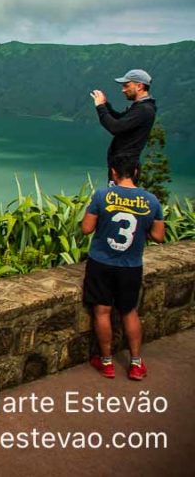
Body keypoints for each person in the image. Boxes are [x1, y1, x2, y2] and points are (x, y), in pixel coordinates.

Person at [81, 155, 165, 381]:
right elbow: (158, 236)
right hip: (131, 265)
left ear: (113, 172)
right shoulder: (151, 201)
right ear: (136, 172)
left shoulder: (102, 195)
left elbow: (86, 229)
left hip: (101, 264)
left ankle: (107, 362)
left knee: (102, 310)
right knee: (129, 311)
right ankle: (136, 363)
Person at [90, 68, 157, 184]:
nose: (123, 90)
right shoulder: (140, 106)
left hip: (125, 169)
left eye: (126, 86)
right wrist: (105, 105)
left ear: (139, 86)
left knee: (116, 199)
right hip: (122, 166)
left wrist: (100, 107)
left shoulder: (144, 109)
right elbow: (120, 120)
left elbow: (115, 127)